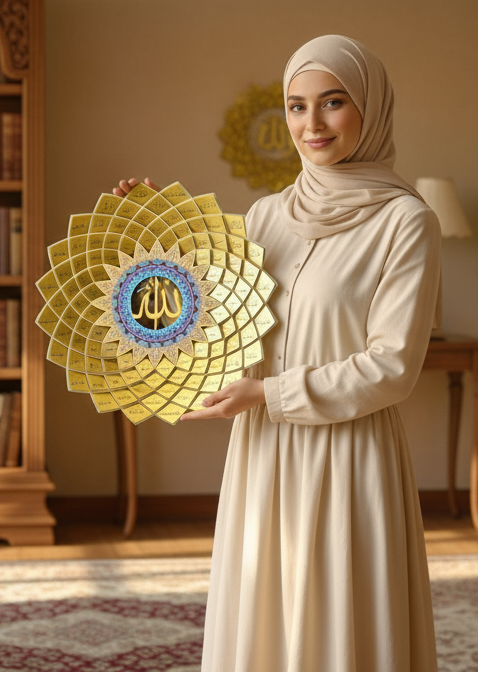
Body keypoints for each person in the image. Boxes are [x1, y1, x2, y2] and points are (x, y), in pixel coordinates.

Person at [115, 35, 440, 673]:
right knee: (265, 621)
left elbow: (393, 366)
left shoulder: (406, 221)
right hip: (264, 456)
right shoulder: (267, 216)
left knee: (341, 623)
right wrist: (154, 235)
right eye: (295, 106)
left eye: (333, 102)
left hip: (350, 457)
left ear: (368, 109)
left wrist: (268, 394)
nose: (311, 124)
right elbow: (219, 319)